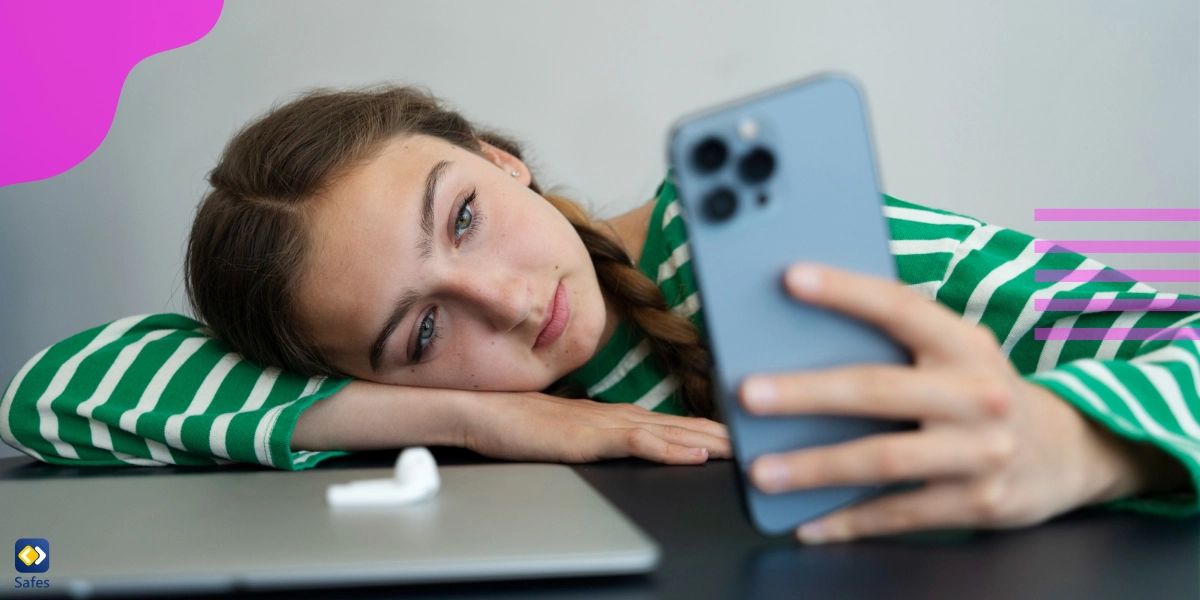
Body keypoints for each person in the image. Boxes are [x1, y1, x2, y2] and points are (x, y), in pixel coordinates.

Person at [1, 85, 1196, 544]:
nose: (512, 306)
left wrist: (1076, 444)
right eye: (423, 329)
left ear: (496, 158)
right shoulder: (471, 409)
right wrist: (483, 422)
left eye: (461, 217)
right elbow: (56, 392)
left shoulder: (753, 249)